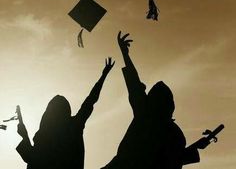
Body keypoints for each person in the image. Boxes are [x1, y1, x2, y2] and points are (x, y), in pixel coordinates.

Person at [101, 32, 209, 169]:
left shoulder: (146, 114)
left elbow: (134, 83)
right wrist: (196, 147)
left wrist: (125, 54)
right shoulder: (173, 132)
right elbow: (173, 159)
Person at [17, 57, 115, 169]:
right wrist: (24, 134)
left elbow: (34, 159)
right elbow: (90, 101)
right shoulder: (70, 127)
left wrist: (24, 135)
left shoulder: (50, 133)